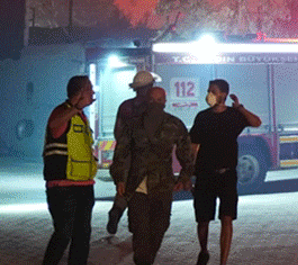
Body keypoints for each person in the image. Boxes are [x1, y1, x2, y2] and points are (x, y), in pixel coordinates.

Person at [110, 86, 194, 265]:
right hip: (138, 185)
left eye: (159, 100)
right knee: (141, 232)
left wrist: (184, 177)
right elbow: (121, 152)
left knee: (159, 227)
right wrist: (120, 179)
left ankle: (145, 260)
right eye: (153, 100)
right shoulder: (134, 124)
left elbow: (186, 153)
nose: (156, 104)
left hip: (162, 185)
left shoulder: (174, 124)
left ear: (164, 102)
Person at [190, 79, 262, 265]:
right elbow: (193, 145)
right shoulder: (202, 117)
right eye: (208, 91)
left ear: (223, 94)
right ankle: (204, 250)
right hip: (205, 174)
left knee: (227, 218)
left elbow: (256, 122)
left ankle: (223, 260)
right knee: (203, 220)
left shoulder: (234, 116)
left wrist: (240, 108)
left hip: (227, 174)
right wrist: (190, 172)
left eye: (212, 91)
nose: (209, 94)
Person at [42, 74, 98, 265]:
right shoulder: (62, 112)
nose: (93, 93)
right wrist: (74, 107)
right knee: (64, 233)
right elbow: (54, 126)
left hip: (84, 185)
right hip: (63, 187)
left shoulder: (81, 117)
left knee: (82, 236)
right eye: (89, 89)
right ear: (80, 92)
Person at [107, 69, 159, 235]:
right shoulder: (152, 106)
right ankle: (134, 222)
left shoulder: (125, 106)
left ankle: (117, 210)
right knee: (141, 189)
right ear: (149, 86)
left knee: (125, 186)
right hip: (144, 155)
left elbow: (117, 131)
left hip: (126, 154)